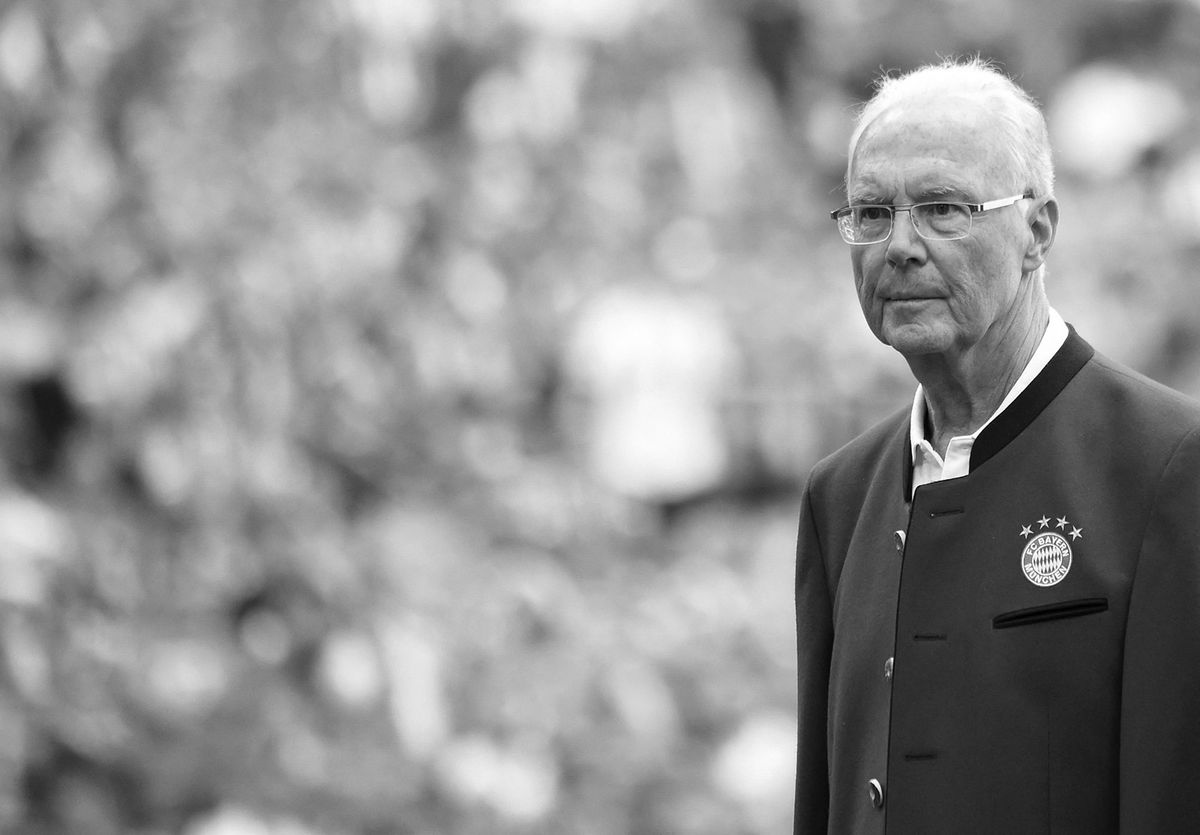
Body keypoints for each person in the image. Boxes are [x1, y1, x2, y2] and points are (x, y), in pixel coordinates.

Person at [794, 57, 1200, 834]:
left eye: (944, 208)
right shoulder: (839, 495)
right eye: (871, 213)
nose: (901, 245)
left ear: (1037, 231)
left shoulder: (1169, 465)